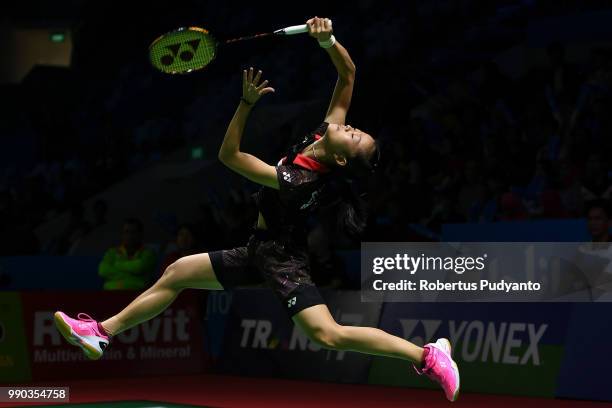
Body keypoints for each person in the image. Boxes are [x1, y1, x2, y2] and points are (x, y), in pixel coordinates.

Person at [54, 18, 460, 402]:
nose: (351, 127)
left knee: (328, 335)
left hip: (282, 259)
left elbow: (229, 157)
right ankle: (101, 333)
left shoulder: (300, 179)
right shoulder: (323, 134)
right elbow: (348, 74)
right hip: (259, 249)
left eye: (354, 136)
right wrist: (326, 40)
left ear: (340, 160)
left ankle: (427, 357)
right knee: (177, 273)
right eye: (355, 128)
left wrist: (246, 105)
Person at [97, 217, 157, 290]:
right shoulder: (112, 252)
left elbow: (139, 267)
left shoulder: (148, 253)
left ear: (140, 234)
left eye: (133, 232)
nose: (130, 236)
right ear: (122, 234)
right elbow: (103, 270)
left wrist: (117, 264)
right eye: (126, 232)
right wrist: (133, 277)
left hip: (139, 295)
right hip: (111, 294)